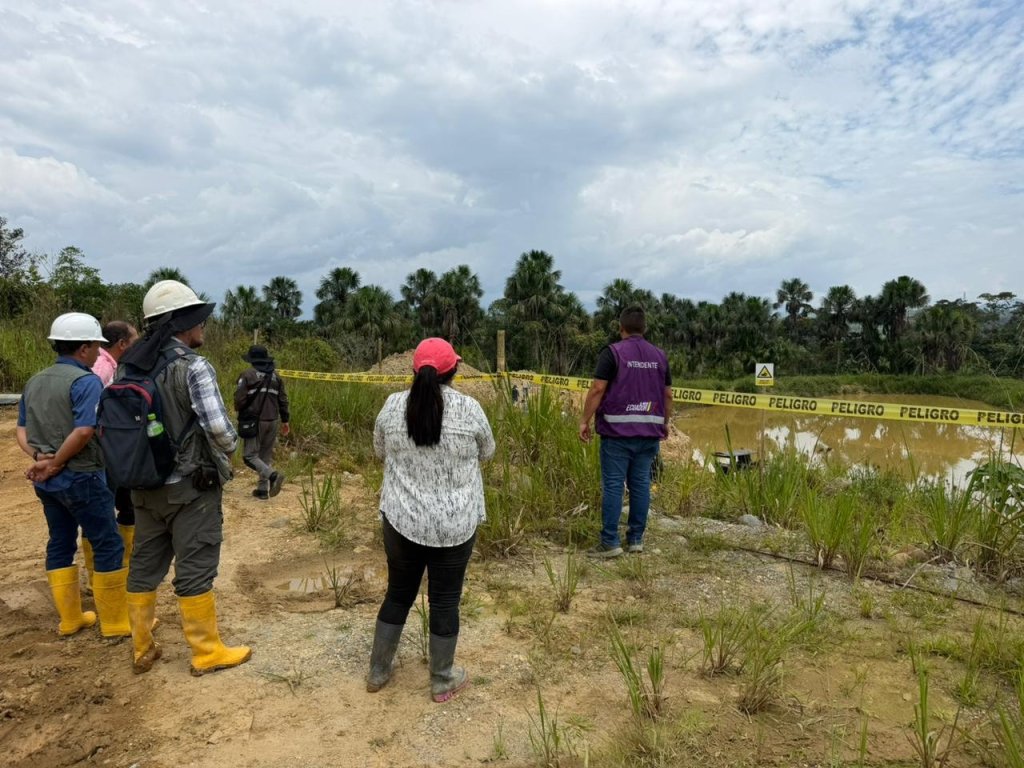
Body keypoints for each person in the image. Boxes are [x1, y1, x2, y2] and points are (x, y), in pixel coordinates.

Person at [121, 279, 250, 676]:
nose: (203, 328)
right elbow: (219, 428)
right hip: (190, 488)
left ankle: (142, 647)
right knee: (195, 565)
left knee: (144, 565)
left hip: (143, 487)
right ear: (183, 324)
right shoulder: (193, 367)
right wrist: (230, 449)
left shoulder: (127, 367)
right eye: (199, 320)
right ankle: (206, 651)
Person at [367, 337, 495, 702]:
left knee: (398, 593)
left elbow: (379, 450)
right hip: (456, 524)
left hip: (400, 520)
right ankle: (442, 679)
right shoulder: (470, 409)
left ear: (413, 369)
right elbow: (488, 451)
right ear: (454, 370)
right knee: (445, 600)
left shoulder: (392, 406)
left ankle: (378, 671)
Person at [16, 313, 130, 638]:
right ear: (83, 348)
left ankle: (71, 619)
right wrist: (57, 462)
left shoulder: (35, 380)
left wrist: (41, 460)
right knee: (107, 542)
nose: (98, 353)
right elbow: (83, 431)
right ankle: (116, 623)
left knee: (61, 541)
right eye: (96, 346)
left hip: (47, 483)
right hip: (83, 476)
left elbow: (20, 429)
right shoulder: (86, 381)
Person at [578, 305, 672, 558]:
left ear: (621, 328)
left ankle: (610, 542)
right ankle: (636, 540)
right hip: (649, 433)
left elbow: (598, 388)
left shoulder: (613, 353)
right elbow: (668, 394)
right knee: (641, 483)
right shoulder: (659, 356)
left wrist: (584, 420)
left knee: (613, 485)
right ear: (644, 329)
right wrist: (665, 422)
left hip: (617, 434)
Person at [80, 321, 140, 582]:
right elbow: (90, 412)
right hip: (104, 450)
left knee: (120, 504)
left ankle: (116, 566)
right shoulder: (102, 368)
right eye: (134, 340)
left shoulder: (109, 365)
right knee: (108, 507)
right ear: (122, 344)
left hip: (108, 448)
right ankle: (103, 574)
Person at [233, 345, 290, 500]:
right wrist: (285, 421)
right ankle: (263, 490)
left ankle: (273, 476)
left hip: (255, 421)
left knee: (249, 456)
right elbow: (283, 400)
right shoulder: (276, 377)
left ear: (252, 360)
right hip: (273, 420)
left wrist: (240, 410)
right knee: (264, 456)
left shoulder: (247, 375)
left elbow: (239, 399)